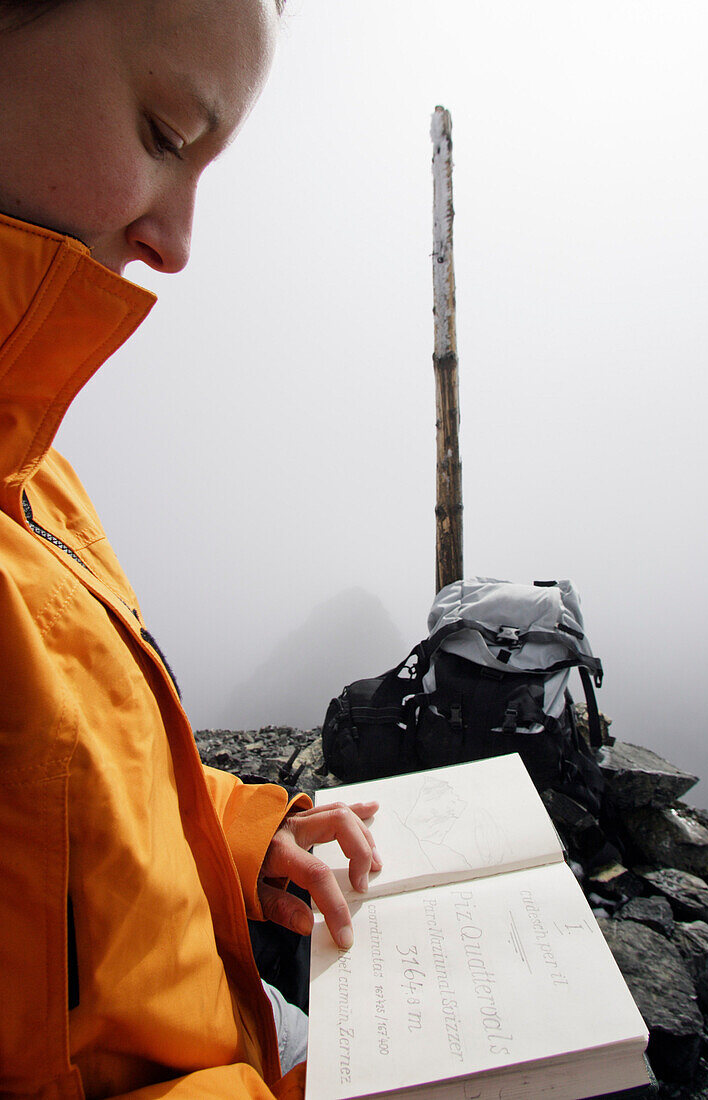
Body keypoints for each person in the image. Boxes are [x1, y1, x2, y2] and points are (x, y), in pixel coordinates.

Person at [0, 2, 381, 1097]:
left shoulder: (36, 476)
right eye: (166, 134)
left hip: (237, 1028)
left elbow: (68, 806)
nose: (176, 246)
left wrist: (247, 830)